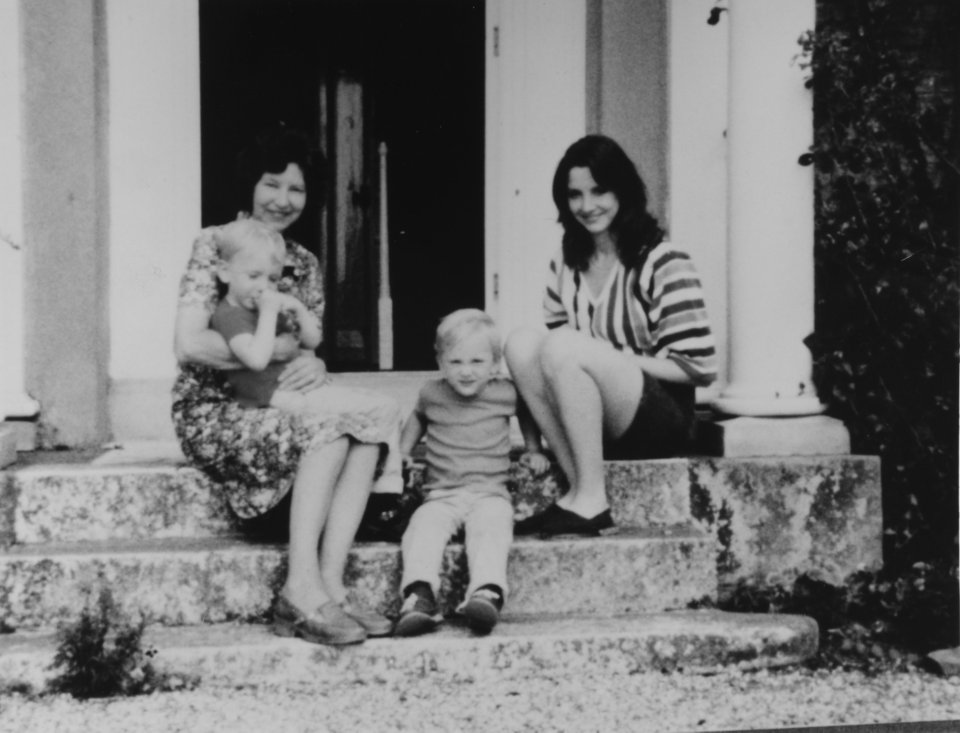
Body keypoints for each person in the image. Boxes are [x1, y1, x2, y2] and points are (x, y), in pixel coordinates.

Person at [173, 124, 399, 646]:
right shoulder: (216, 244)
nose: (283, 199)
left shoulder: (303, 264)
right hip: (216, 407)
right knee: (328, 431)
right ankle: (299, 589)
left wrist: (313, 365)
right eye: (272, 183)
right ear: (251, 184)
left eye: (296, 188)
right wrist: (271, 352)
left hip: (279, 399)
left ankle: (333, 588)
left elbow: (307, 351)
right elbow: (188, 344)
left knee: (363, 432)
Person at [505, 135, 717, 538]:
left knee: (564, 344)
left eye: (599, 190)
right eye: (575, 195)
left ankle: (591, 500)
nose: (587, 206)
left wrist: (609, 356)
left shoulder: (663, 261)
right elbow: (554, 363)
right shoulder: (565, 262)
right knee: (519, 344)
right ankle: (580, 491)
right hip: (591, 417)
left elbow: (699, 369)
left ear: (623, 190)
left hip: (659, 418)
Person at [394, 309, 550, 636]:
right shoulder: (431, 393)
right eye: (456, 362)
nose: (466, 372)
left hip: (490, 494)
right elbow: (417, 420)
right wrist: (402, 454)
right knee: (421, 531)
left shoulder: (505, 392)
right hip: (441, 495)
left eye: (477, 362)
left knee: (492, 531)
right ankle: (418, 595)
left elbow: (526, 413)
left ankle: (486, 592)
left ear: (495, 363)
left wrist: (533, 448)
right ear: (440, 362)